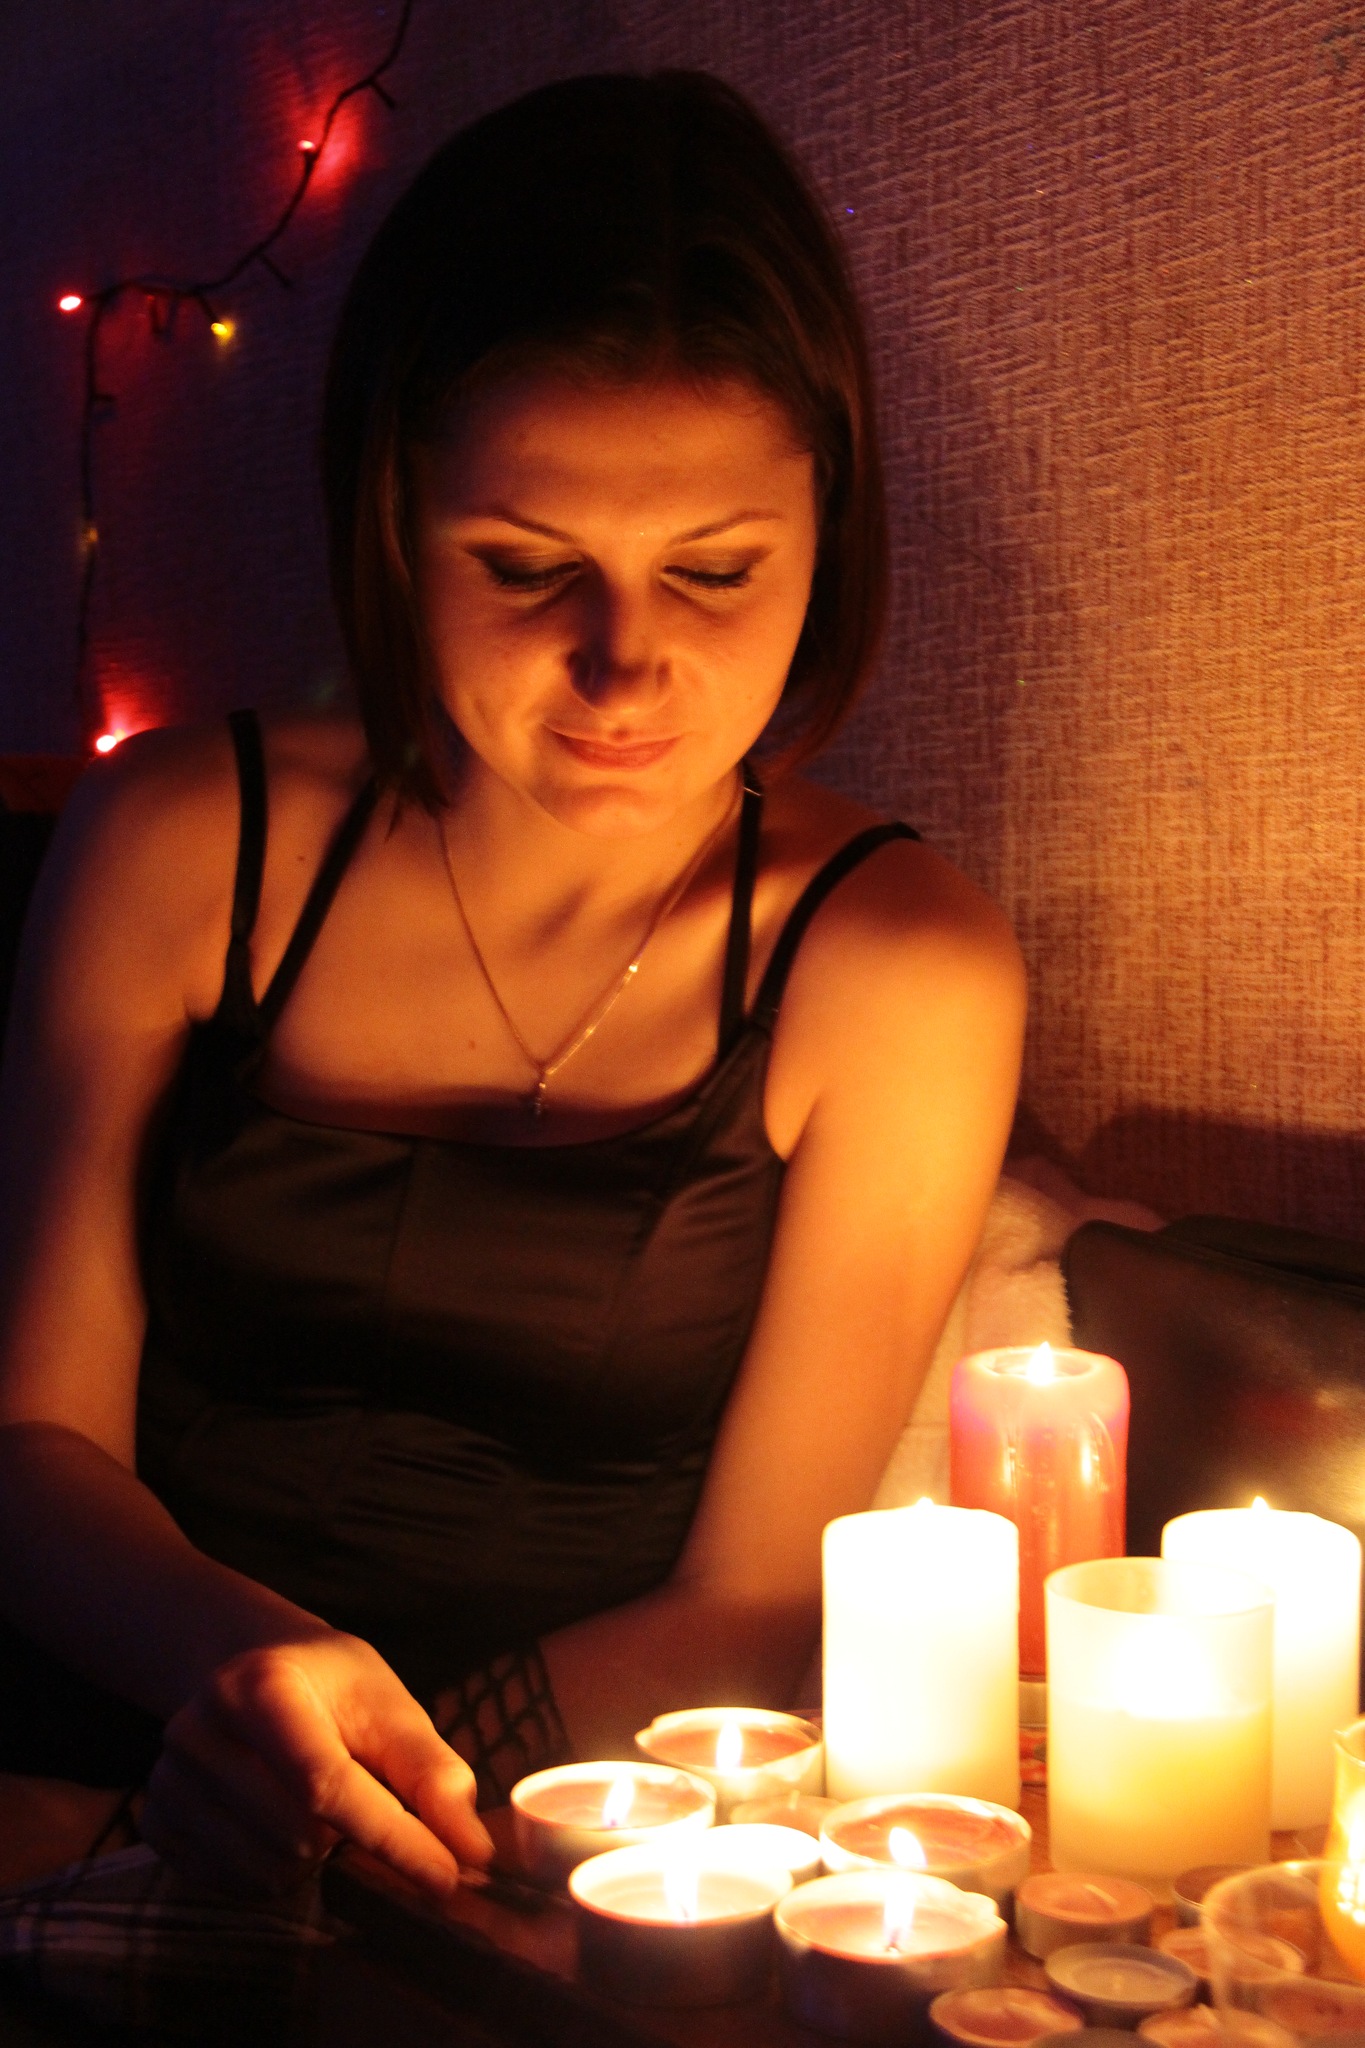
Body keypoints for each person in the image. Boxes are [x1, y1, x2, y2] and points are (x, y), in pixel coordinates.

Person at [0, 70, 1025, 1911]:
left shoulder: (895, 965)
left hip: (524, 1839)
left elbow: (752, 1594)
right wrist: (231, 1696)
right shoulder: (181, 838)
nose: (624, 665)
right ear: (396, 518)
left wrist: (347, 1824)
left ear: (826, 532)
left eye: (715, 570)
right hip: (82, 1741)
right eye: (528, 567)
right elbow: (32, 1447)